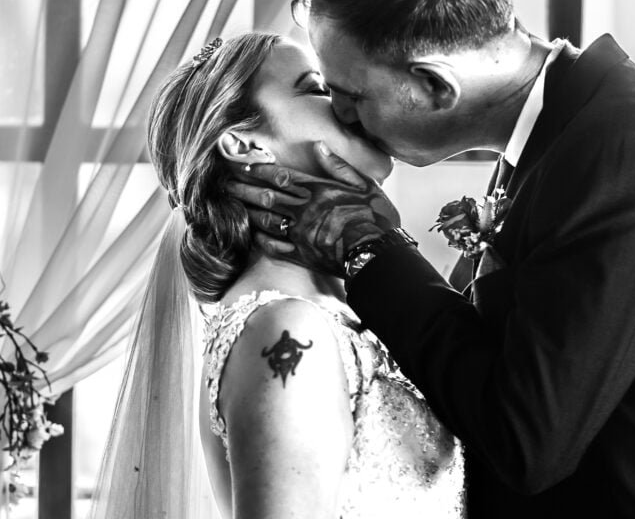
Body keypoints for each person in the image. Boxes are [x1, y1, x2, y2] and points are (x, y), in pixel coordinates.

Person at [230, 0, 635, 518]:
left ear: (433, 85)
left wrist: (372, 246)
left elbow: (527, 442)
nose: (341, 115)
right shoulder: (560, 137)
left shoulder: (626, 155)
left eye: (350, 93)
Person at [90, 33, 465, 519]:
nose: (349, 105)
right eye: (316, 88)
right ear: (245, 144)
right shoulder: (286, 330)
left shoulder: (342, 313)